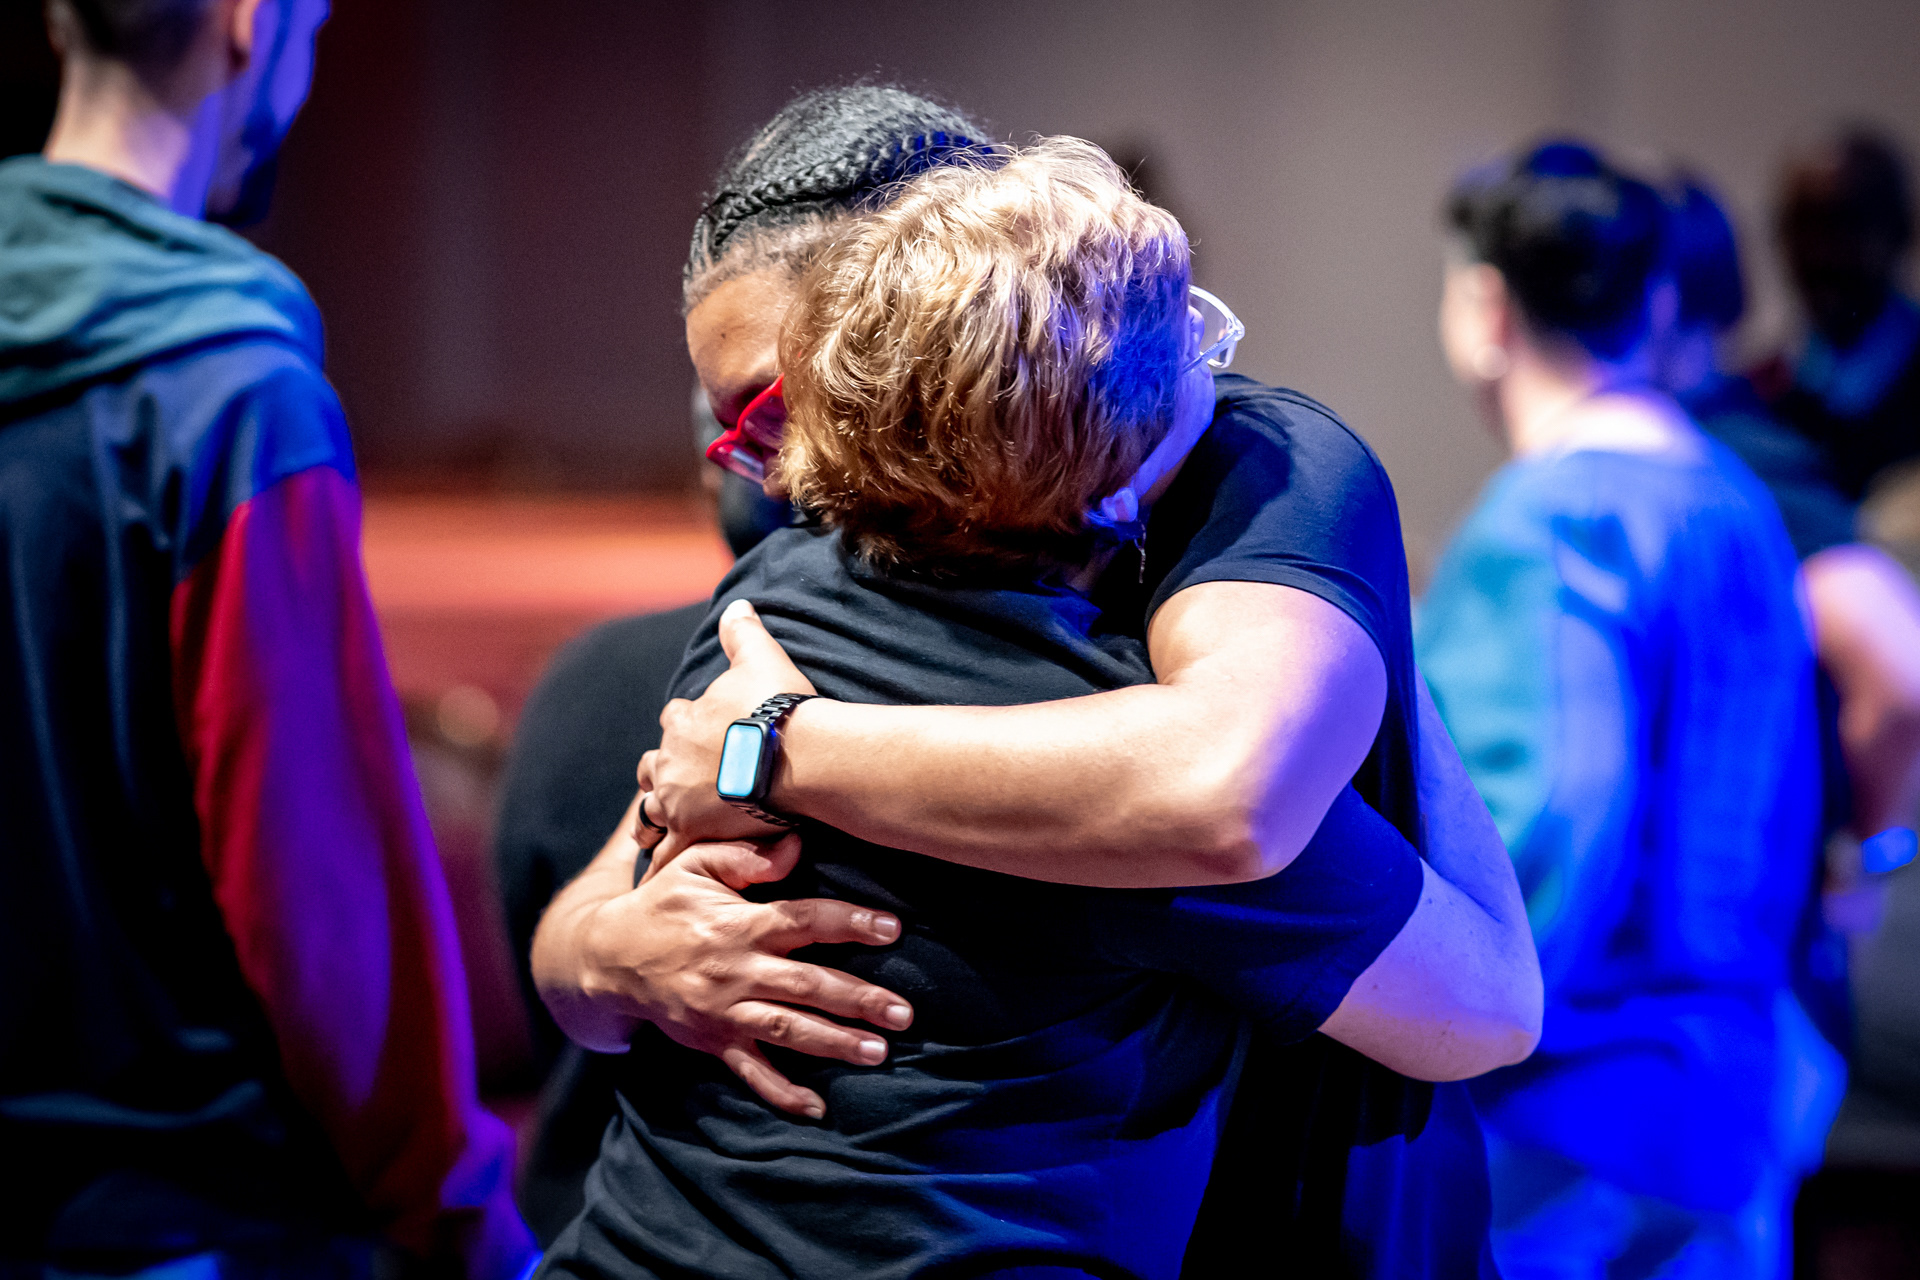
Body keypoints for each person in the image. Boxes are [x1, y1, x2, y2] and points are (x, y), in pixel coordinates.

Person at [534, 86, 1540, 1278]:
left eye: (768, 409)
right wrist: (613, 949)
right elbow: (1492, 1004)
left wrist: (780, 746)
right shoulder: (1096, 742)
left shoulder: (769, 621)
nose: (772, 471)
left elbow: (1224, 789)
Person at [0, 0, 533, 1273]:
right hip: (189, 1211)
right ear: (252, 22)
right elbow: (315, 902)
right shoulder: (232, 393)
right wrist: (461, 1214)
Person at [1417, 140, 1825, 1278]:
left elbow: (1547, 818)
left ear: (1486, 308)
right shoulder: (1735, 499)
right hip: (1725, 1101)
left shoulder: (1550, 518)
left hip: (1568, 1129)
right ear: (1657, 305)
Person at [1771, 127, 1920, 501]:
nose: (1820, 254)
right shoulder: (1764, 394)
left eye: (1845, 224)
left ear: (1901, 231)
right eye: (1803, 225)